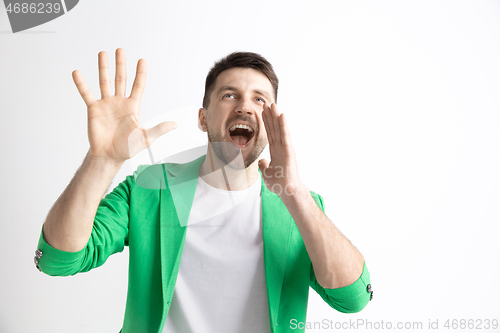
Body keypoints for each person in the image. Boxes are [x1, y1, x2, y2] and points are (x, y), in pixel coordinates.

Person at [34, 48, 373, 333]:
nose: (244, 106)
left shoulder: (300, 206)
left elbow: (352, 299)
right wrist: (102, 160)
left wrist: (296, 194)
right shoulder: (148, 189)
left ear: (270, 122)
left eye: (259, 99)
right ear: (202, 117)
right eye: (229, 95)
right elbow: (58, 260)